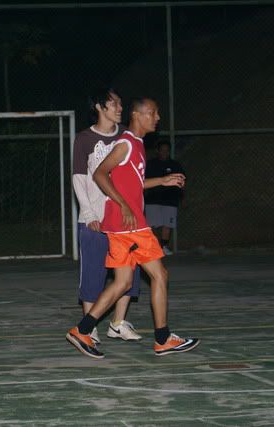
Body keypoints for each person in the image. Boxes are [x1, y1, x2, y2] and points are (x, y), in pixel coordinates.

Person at [66, 98, 200, 359]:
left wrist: (163, 180)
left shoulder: (136, 145)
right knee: (160, 275)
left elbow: (133, 183)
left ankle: (82, 330)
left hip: (122, 226)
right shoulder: (126, 143)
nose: (158, 117)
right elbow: (100, 174)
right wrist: (123, 205)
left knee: (123, 282)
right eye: (153, 112)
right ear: (137, 116)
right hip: (130, 225)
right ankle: (163, 338)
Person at [71, 87, 142, 343]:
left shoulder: (127, 136)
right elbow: (79, 178)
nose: (119, 108)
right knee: (93, 274)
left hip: (123, 220)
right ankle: (89, 328)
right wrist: (89, 213)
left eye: (121, 103)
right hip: (95, 219)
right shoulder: (84, 139)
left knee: (128, 275)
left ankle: (118, 323)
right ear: (100, 107)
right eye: (114, 104)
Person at [144, 141, 185, 255]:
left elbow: (181, 181)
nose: (164, 152)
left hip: (170, 200)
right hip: (153, 199)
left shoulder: (175, 165)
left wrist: (182, 196)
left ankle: (163, 246)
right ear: (158, 151)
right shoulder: (151, 164)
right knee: (151, 225)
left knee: (168, 224)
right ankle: (151, 247)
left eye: (167, 150)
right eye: (162, 150)